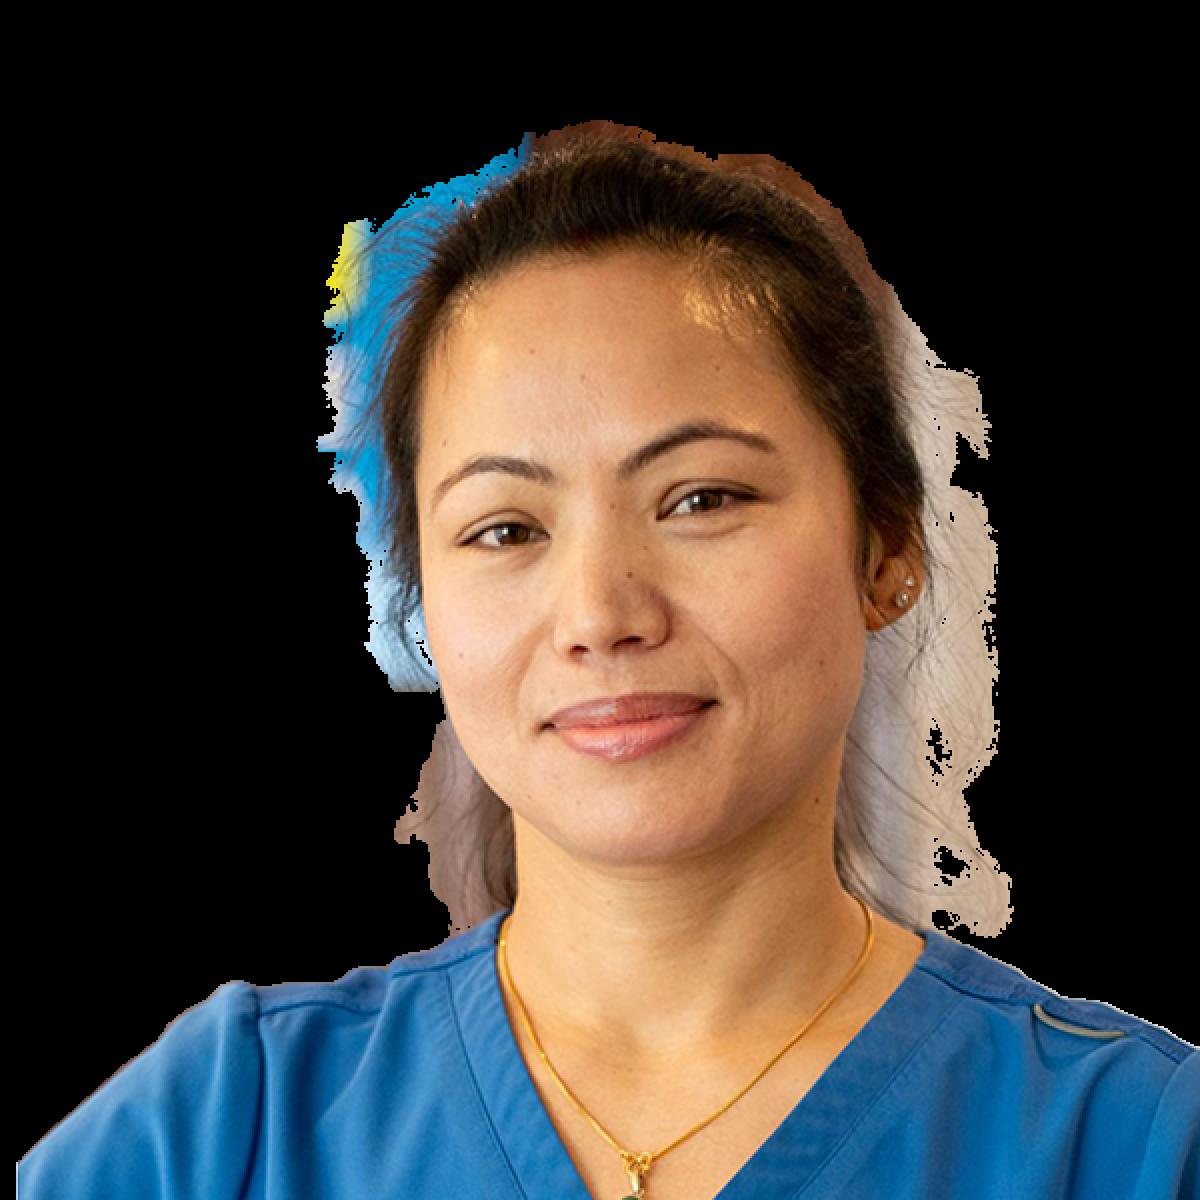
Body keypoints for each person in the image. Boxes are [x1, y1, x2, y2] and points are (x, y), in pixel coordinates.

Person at [19, 123, 1197, 1199]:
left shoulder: (1139, 1144)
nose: (599, 613)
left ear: (886, 548)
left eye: (700, 497)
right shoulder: (229, 1125)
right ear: (425, 600)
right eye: (505, 530)